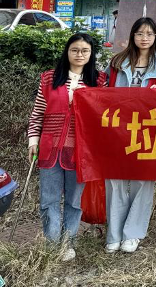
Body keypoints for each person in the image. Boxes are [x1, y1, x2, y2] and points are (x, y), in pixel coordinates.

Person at [27, 33, 107, 261]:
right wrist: (33, 141)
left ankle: (68, 242)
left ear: (91, 54)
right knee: (49, 199)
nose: (79, 54)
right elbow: (37, 114)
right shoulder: (49, 79)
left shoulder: (99, 81)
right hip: (49, 148)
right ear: (67, 51)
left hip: (81, 152)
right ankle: (52, 244)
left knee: (74, 200)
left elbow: (103, 116)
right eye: (75, 50)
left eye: (85, 51)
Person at [104, 17, 156, 254]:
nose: (144, 38)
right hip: (118, 127)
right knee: (114, 179)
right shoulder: (117, 62)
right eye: (140, 33)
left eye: (149, 34)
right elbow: (102, 91)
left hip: (149, 128)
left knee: (143, 180)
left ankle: (133, 233)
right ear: (132, 36)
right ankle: (114, 234)